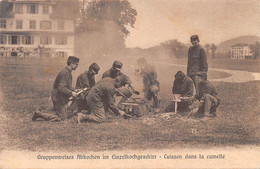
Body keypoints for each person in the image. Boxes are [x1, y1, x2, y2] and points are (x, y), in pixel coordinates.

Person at [32, 56, 80, 122]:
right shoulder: (65, 73)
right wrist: (71, 93)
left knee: (66, 114)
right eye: (76, 64)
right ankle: (39, 114)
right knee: (62, 118)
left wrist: (74, 90)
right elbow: (61, 88)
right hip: (58, 98)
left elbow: (66, 86)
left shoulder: (67, 72)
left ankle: (46, 114)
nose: (77, 66)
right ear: (71, 63)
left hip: (60, 97)